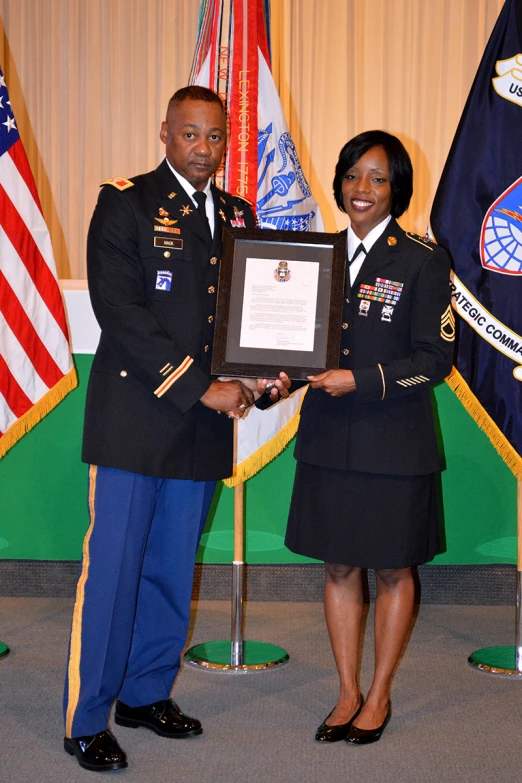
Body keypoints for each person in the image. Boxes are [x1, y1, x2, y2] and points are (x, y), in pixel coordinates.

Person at [63, 86, 289, 772]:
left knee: (169, 570)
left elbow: (251, 320)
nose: (204, 148)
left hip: (199, 428)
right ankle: (86, 717)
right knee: (114, 573)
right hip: (138, 419)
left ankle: (145, 692)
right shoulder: (125, 203)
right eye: (191, 134)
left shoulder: (240, 215)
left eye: (215, 136)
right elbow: (123, 314)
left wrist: (264, 375)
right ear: (165, 134)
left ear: (228, 141)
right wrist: (205, 387)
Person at [285, 130, 454, 745]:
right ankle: (346, 690)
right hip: (330, 438)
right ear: (340, 182)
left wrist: (361, 380)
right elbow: (294, 347)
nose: (362, 189)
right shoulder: (316, 258)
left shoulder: (423, 260)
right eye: (354, 175)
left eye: (378, 178)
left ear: (396, 189)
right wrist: (269, 380)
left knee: (391, 569)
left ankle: (378, 694)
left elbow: (436, 359)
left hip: (394, 441)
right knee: (337, 566)